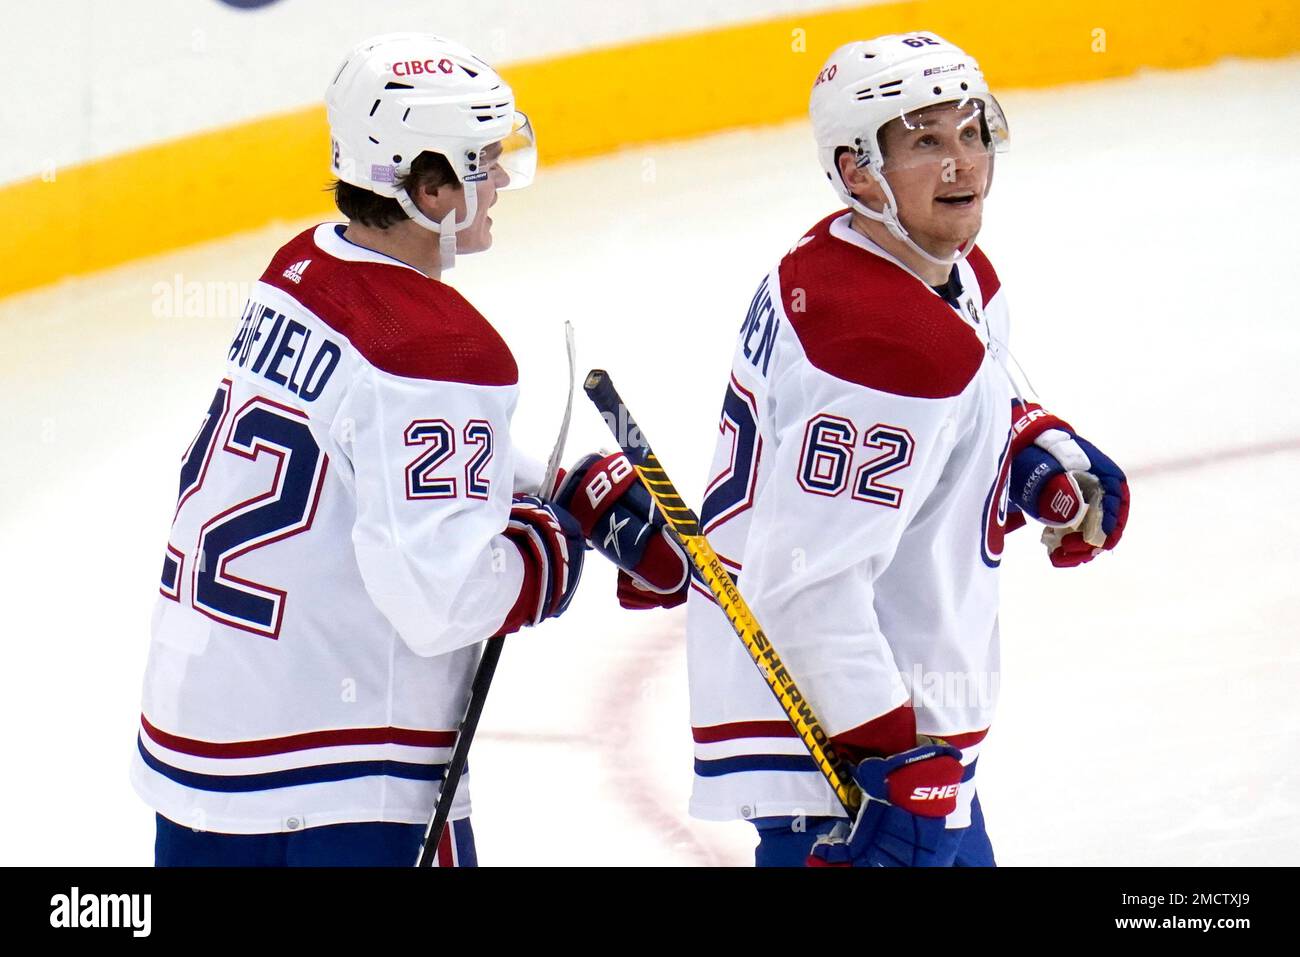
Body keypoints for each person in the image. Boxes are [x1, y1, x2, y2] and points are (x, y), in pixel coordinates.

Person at [131, 32, 591, 867]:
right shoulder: (441, 349)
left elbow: (365, 439)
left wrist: (557, 478)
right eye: (481, 164)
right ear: (427, 187)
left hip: (200, 748)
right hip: (340, 781)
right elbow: (443, 600)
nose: (498, 186)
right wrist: (548, 551)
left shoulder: (305, 268)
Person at [683, 32, 1130, 867]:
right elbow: (807, 583)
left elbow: (966, 405)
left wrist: (1034, 452)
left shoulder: (922, 268)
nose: (963, 164)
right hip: (837, 747)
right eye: (925, 142)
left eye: (970, 132)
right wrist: (888, 758)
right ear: (858, 172)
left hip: (898, 728)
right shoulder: (878, 340)